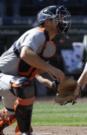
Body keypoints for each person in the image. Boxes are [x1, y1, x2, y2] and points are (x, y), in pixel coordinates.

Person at [0, 5, 71, 134]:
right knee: (25, 85)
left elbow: (35, 69)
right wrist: (53, 69)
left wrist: (50, 83)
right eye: (58, 18)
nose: (62, 20)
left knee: (15, 113)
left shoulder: (50, 46)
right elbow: (25, 54)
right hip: (3, 75)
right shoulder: (37, 33)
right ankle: (25, 132)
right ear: (47, 21)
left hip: (12, 81)